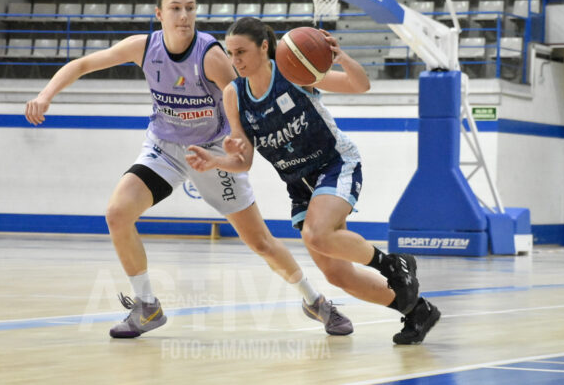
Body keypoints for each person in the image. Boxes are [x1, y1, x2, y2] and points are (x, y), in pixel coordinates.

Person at [25, 0, 354, 339]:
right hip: (165, 147)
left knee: (260, 242)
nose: (184, 16)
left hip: (212, 150)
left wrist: (235, 148)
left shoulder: (211, 57)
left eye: (190, 8)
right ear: (158, 14)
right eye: (176, 8)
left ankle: (315, 300)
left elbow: (245, 107)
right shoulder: (144, 47)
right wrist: (45, 94)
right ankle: (147, 305)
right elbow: (84, 63)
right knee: (117, 213)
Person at [186, 17, 441, 345]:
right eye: (230, 53)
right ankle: (417, 310)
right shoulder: (234, 95)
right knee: (338, 275)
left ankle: (394, 265)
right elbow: (243, 161)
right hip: (299, 185)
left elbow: (359, 85)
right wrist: (217, 160)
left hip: (335, 164)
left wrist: (342, 58)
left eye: (241, 52)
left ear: (265, 47)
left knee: (316, 233)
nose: (235, 61)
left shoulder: (294, 72)